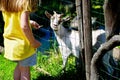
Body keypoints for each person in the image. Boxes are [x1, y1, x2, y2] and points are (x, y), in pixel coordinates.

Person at [0, 0, 41, 80]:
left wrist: (29, 22)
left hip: (10, 42)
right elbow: (24, 26)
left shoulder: (6, 2)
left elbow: (12, 21)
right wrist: (33, 42)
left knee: (20, 66)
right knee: (25, 71)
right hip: (22, 45)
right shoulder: (24, 2)